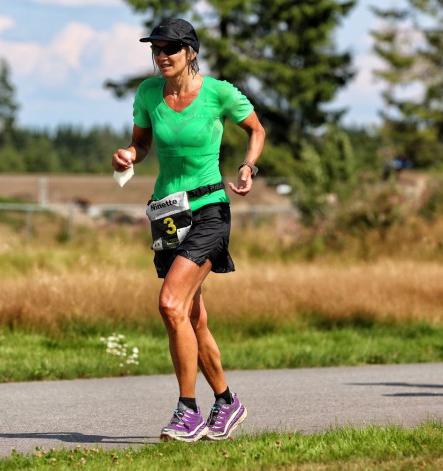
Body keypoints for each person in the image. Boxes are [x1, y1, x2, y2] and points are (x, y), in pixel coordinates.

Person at [112, 18, 265, 442]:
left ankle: (188, 411)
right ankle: (227, 401)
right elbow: (142, 144)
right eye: (156, 49)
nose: (161, 56)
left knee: (170, 304)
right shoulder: (147, 93)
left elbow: (256, 129)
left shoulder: (218, 93)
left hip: (209, 209)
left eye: (170, 49)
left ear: (190, 52)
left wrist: (248, 167)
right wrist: (128, 154)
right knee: (192, 318)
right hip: (167, 214)